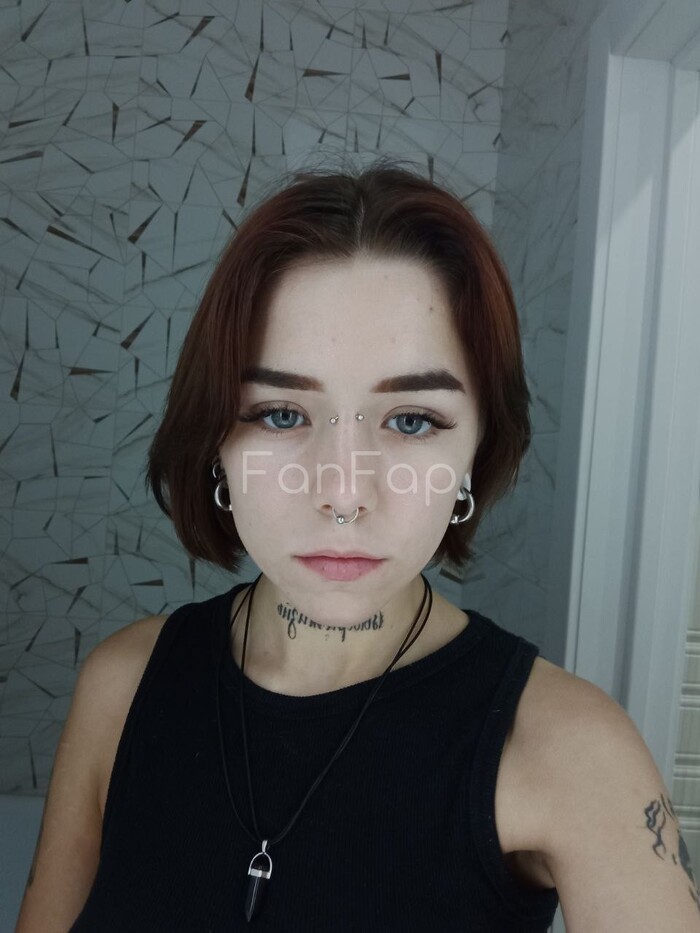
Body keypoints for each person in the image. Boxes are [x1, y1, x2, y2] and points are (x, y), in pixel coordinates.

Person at [15, 160, 700, 933]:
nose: (344, 494)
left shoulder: (573, 753)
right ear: (215, 441)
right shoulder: (122, 689)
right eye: (281, 413)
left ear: (477, 450)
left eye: (411, 420)